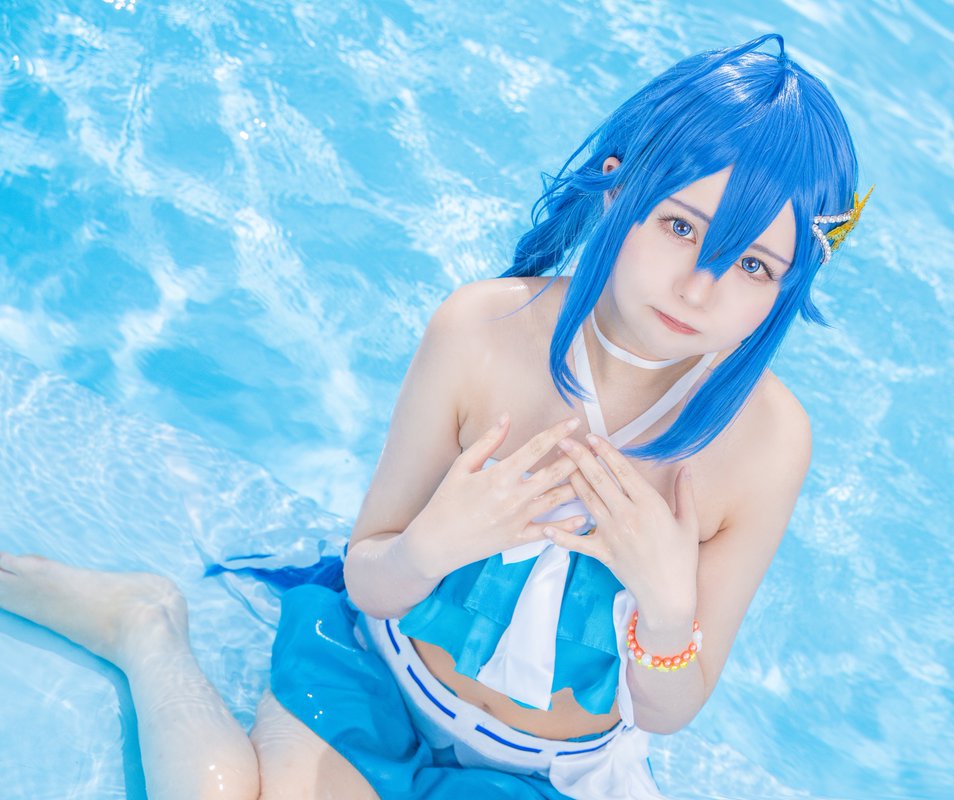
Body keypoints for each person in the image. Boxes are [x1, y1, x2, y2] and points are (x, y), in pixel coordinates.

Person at [0, 32, 867, 800]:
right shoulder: (484, 332)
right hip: (377, 679)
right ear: (617, 190)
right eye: (680, 227)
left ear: (791, 285)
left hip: (545, 772)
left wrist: (669, 610)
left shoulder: (763, 444)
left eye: (753, 265)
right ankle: (146, 626)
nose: (699, 288)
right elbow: (370, 578)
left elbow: (668, 709)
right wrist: (433, 546)